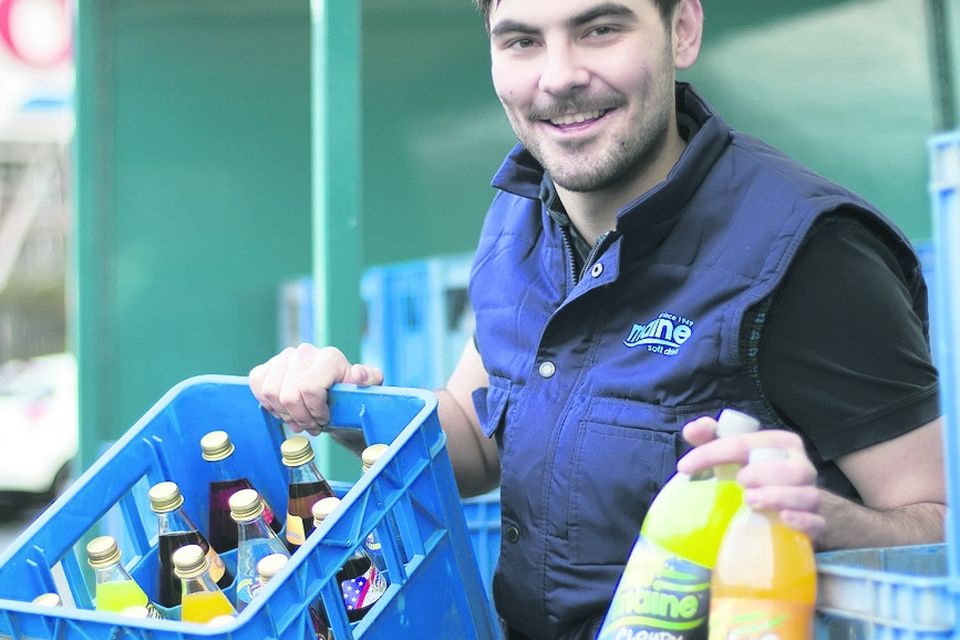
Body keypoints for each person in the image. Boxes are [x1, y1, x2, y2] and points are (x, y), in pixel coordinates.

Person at [249, 0, 946, 637]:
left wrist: (826, 523)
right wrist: (340, 402)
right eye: (522, 40)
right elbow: (473, 436)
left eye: (600, 28)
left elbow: (940, 524)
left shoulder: (805, 252)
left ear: (682, 30)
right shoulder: (518, 218)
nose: (559, 77)